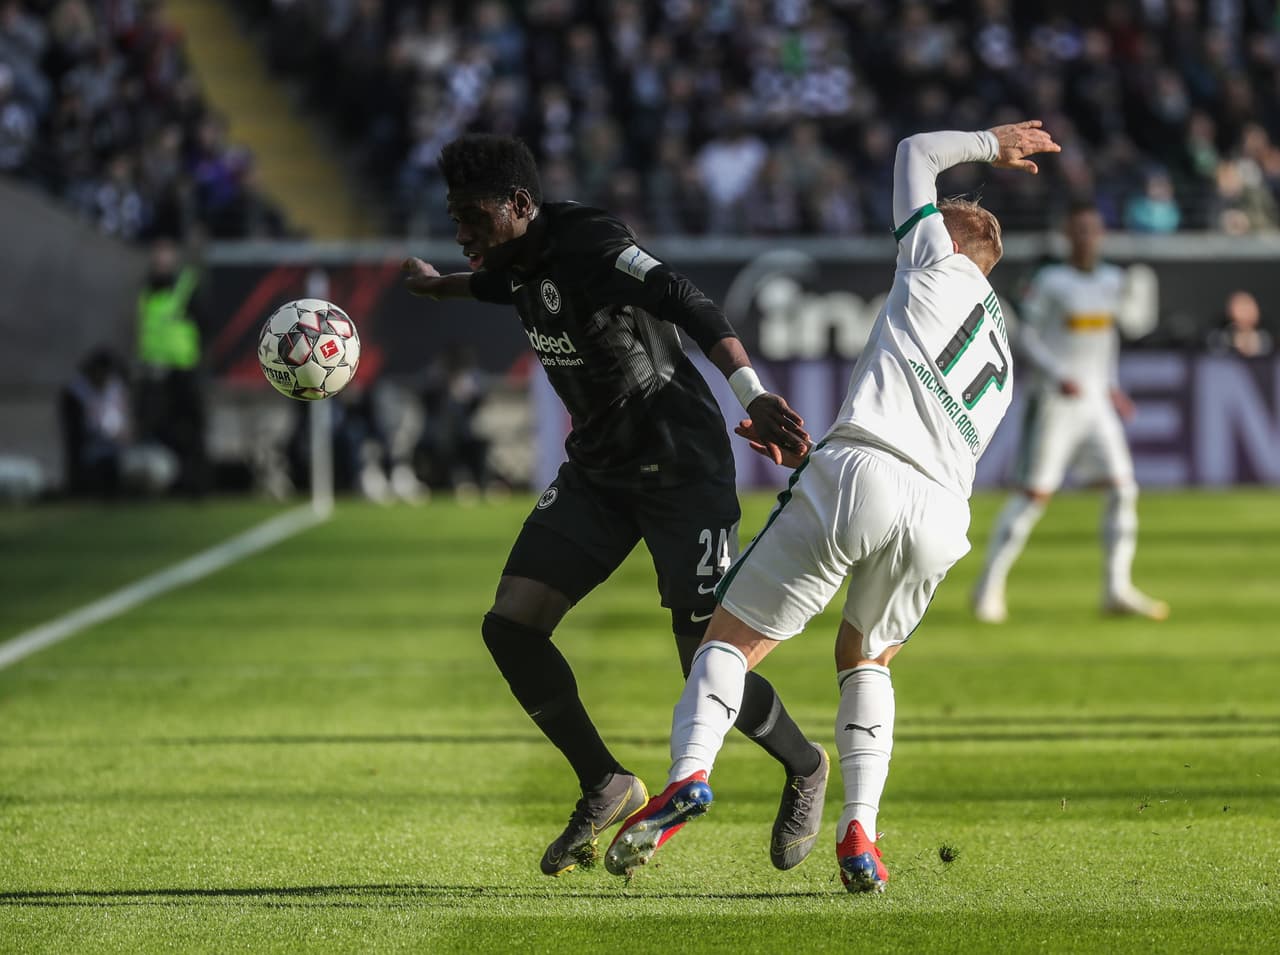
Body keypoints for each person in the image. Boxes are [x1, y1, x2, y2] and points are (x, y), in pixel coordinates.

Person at [604, 122, 1061, 893]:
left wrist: (990, 142)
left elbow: (914, 150)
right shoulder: (1004, 353)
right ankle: (862, 830)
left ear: (949, 241)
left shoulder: (931, 264)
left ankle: (688, 774)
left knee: (730, 639)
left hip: (864, 470)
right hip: (942, 512)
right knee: (867, 657)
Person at [400, 134, 827, 877]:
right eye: (454, 216)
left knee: (704, 655)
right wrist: (439, 286)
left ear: (522, 206)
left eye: (473, 215)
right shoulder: (515, 260)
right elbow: (503, 287)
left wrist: (753, 395)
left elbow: (688, 300)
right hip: (600, 471)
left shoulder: (591, 241)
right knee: (511, 626)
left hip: (682, 467)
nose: (463, 230)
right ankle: (605, 782)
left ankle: (806, 764)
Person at [971, 202, 1168, 623]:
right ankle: (988, 587)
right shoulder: (1051, 282)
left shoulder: (1113, 280)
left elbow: (1106, 342)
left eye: (1093, 230)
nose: (1086, 238)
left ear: (1101, 235)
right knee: (1033, 496)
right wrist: (1058, 373)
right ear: (1067, 235)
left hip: (1097, 401)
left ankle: (1116, 588)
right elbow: (1024, 336)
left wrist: (1112, 386)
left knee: (1123, 489)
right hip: (1056, 401)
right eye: (1079, 230)